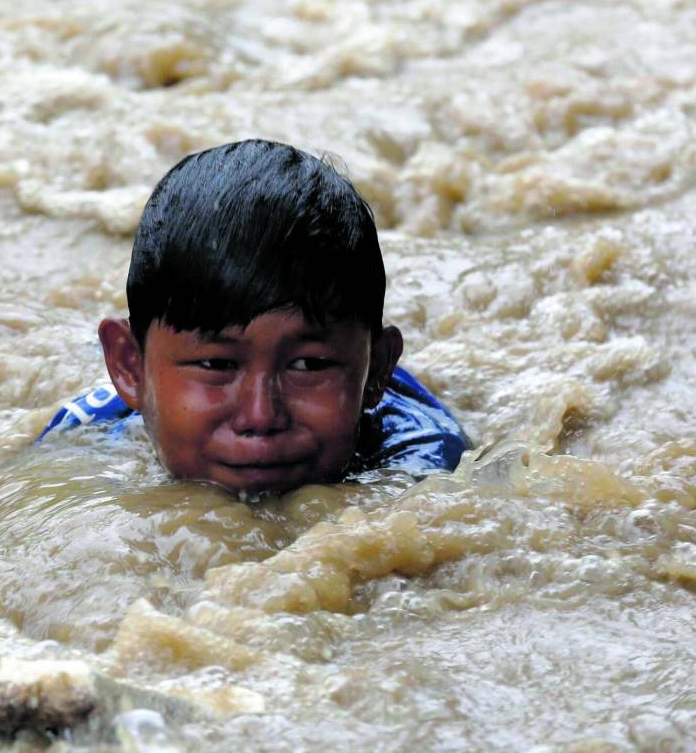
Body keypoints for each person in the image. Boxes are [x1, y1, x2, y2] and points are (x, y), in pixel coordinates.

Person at [39, 139, 469, 494]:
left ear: (375, 372)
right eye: (217, 365)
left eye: (308, 365)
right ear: (129, 368)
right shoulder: (83, 439)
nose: (261, 416)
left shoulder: (422, 472)